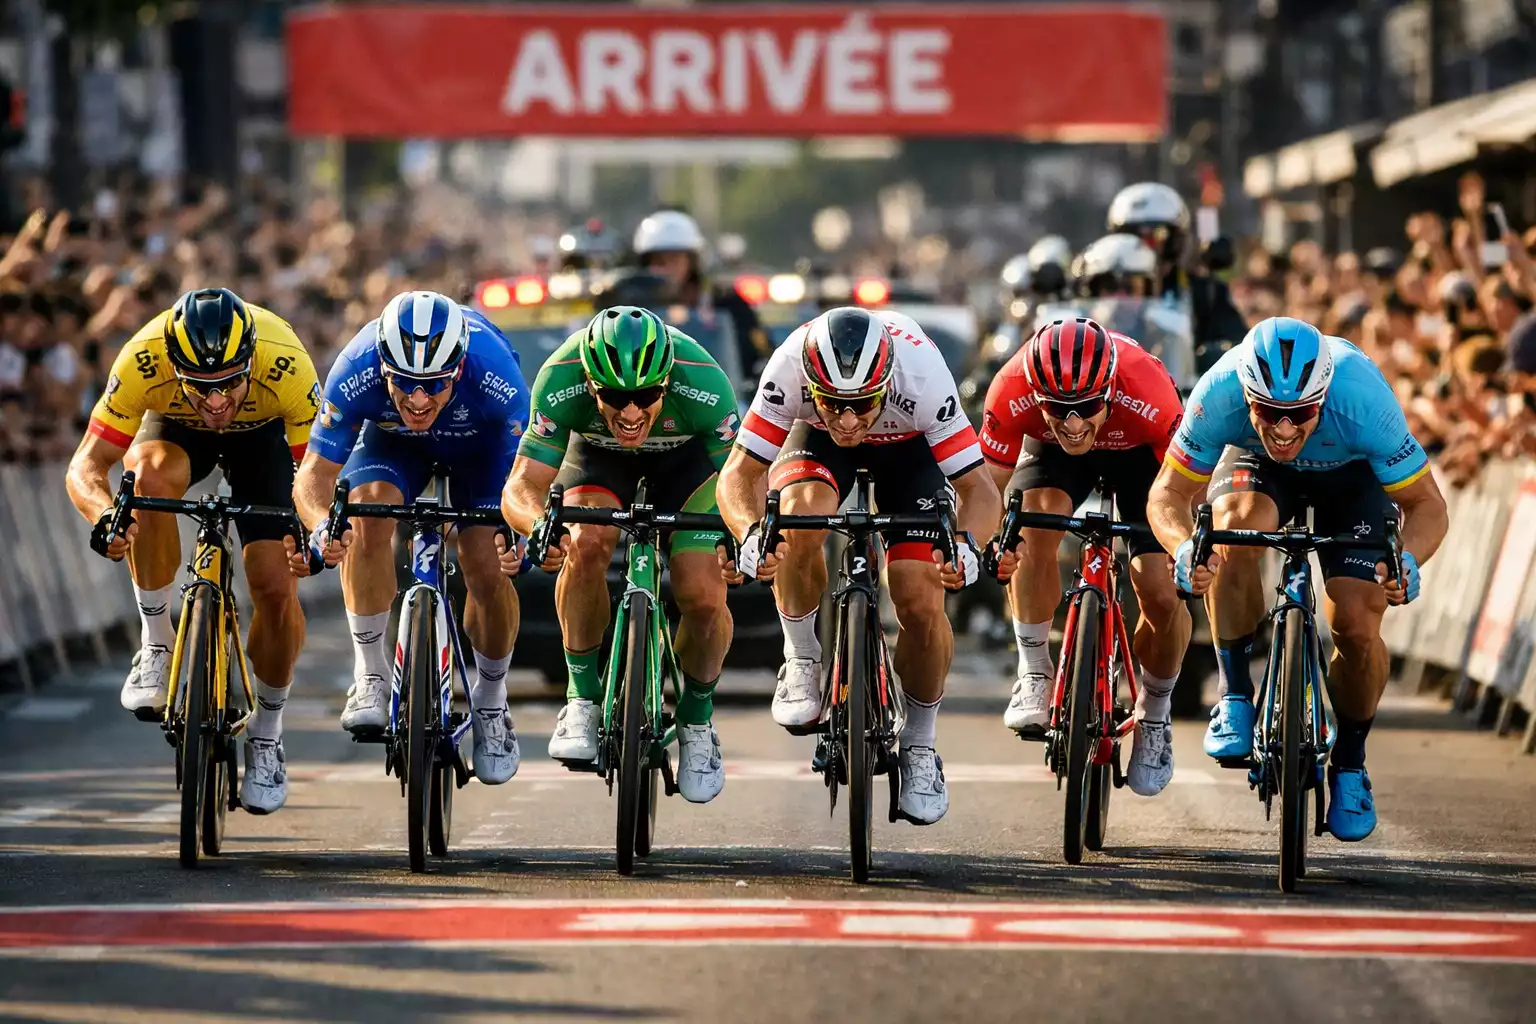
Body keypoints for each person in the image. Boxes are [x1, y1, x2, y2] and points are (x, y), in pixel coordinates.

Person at [1145, 316, 1449, 841]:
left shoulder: (1362, 399)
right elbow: (1167, 495)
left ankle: (1350, 764)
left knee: (1356, 621)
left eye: (1300, 414)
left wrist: (1409, 560)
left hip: (1351, 475)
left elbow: (1428, 505)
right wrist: (1184, 546)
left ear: (1324, 397)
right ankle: (1236, 693)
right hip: (1258, 469)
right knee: (1232, 532)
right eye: (1269, 413)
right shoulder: (1220, 391)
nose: (1285, 430)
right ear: (1247, 396)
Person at [717, 306, 1002, 825]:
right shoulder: (787, 367)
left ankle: (918, 744)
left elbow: (978, 490)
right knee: (799, 516)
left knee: (918, 593)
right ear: (811, 384)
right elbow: (739, 475)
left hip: (910, 451)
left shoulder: (923, 376)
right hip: (816, 447)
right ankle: (803, 658)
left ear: (886, 382)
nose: (848, 421)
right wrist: (750, 532)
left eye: (861, 405)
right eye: (833, 404)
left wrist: (968, 548)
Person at [64, 287, 318, 814]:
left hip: (266, 440)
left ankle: (267, 737)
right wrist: (105, 516)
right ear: (173, 364)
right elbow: (86, 466)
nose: (218, 400)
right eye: (201, 386)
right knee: (146, 479)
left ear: (251, 359)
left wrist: (312, 533)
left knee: (273, 585)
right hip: (176, 432)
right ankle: (157, 643)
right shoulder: (143, 357)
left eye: (229, 381)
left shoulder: (287, 363)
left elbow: (314, 475)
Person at [500, 306, 738, 803]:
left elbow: (740, 483)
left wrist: (746, 537)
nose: (630, 414)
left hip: (688, 466)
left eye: (647, 396)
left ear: (667, 380)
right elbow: (522, 485)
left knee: (700, 588)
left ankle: (696, 722)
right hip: (597, 462)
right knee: (585, 545)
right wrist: (540, 526)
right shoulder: (559, 377)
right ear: (590, 384)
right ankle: (582, 698)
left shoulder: (705, 382)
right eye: (613, 397)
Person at [289, 290, 528, 786]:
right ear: (384, 369)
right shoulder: (356, 363)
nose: (419, 400)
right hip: (392, 445)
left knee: (485, 558)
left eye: (435, 385)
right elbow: (312, 477)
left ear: (458, 370)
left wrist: (518, 536)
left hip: (479, 452)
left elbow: (521, 483)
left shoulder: (496, 373)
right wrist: (320, 528)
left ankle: (490, 701)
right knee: (362, 512)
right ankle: (372, 676)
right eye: (404, 385)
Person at [981, 318, 1188, 796]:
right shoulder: (1010, 387)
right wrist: (992, 544)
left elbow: (1181, 491)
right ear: (1036, 394)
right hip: (1051, 456)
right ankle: (1034, 669)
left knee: (1158, 587)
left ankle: (1154, 714)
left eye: (1087, 407)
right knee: (1031, 526)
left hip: (1142, 456)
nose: (1074, 423)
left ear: (1110, 389)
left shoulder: (1149, 389)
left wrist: (1187, 548)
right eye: (1059, 408)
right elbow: (986, 490)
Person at [1107, 182, 1247, 372]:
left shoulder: (1204, 292)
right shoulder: (1102, 290)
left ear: (1176, 242)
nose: (1146, 249)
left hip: (1184, 394)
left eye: (1158, 238)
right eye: (1133, 239)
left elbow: (1238, 349)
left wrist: (1216, 354)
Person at [630, 209, 769, 376]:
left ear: (692, 261)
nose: (666, 269)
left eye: (674, 259)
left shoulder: (725, 300)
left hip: (718, 396)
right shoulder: (632, 306)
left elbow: (757, 355)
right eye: (658, 261)